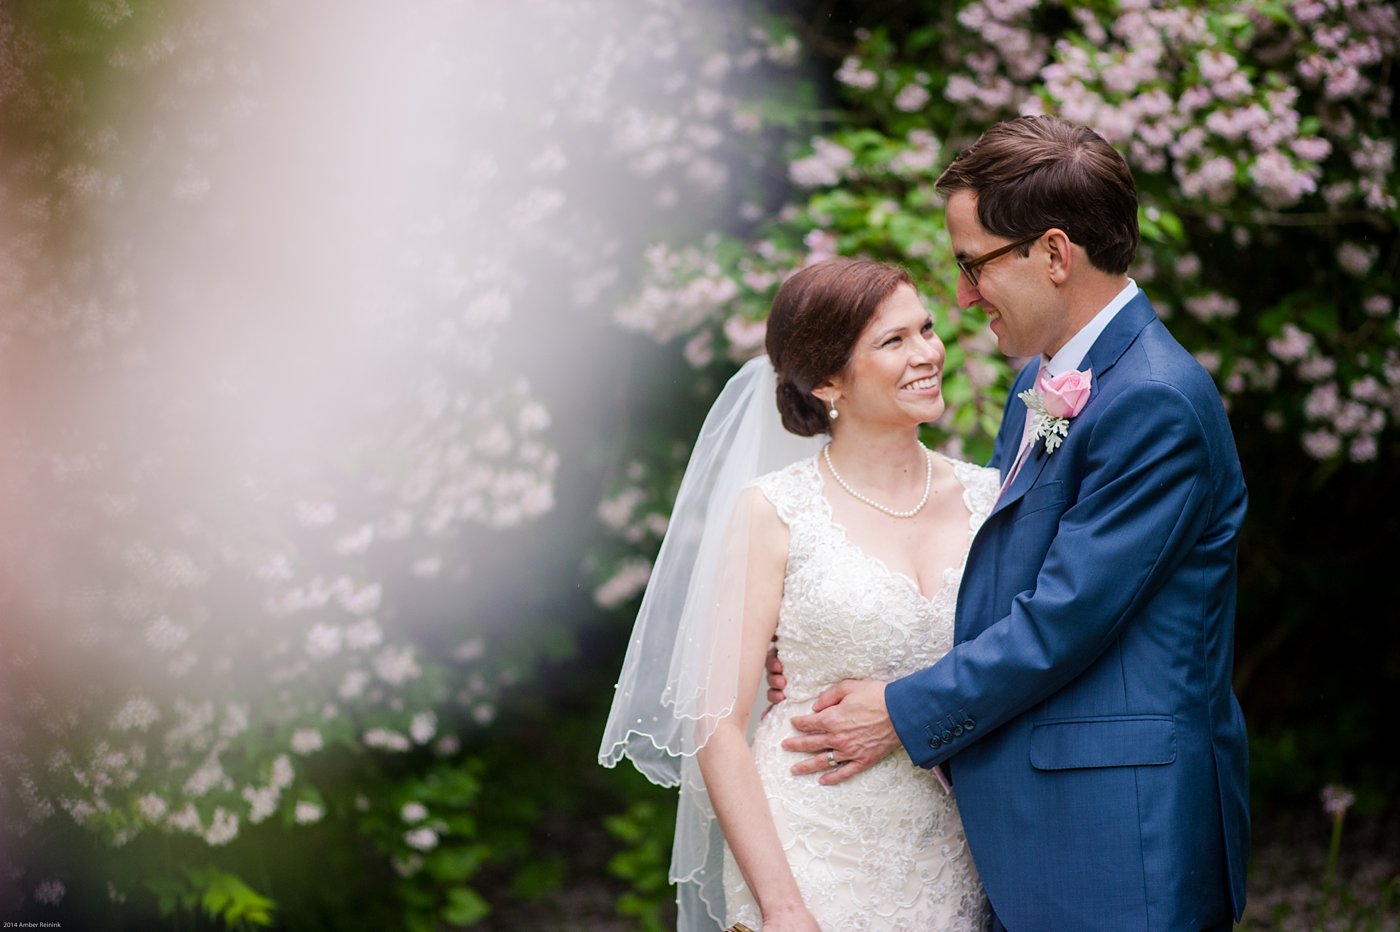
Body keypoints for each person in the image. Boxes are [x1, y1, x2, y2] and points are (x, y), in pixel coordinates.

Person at [767, 115, 1250, 930]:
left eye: (973, 265)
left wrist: (901, 706)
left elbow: (1063, 619)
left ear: (1054, 255)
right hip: (1032, 822)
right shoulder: (1053, 385)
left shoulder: (1153, 402)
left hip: (1119, 835)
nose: (961, 296)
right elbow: (996, 577)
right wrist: (830, 638)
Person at [599, 256, 998, 930]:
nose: (928, 353)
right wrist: (782, 905)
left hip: (958, 849)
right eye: (893, 341)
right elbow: (715, 724)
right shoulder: (775, 511)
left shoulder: (991, 498)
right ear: (827, 381)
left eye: (925, 329)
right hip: (812, 849)